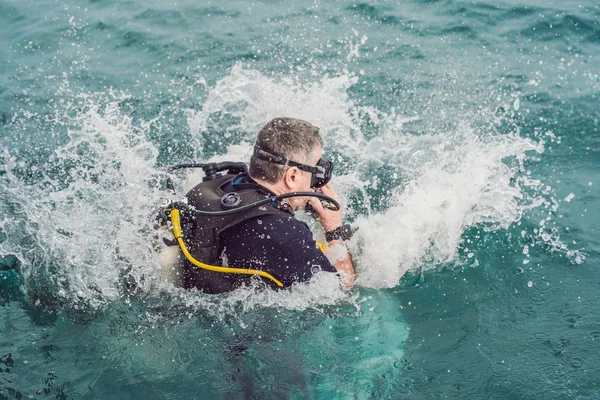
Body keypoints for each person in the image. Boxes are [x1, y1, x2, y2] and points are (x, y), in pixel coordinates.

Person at [176, 117, 355, 293]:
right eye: (316, 169)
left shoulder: (224, 184)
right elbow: (339, 291)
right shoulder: (284, 234)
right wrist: (334, 230)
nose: (317, 180)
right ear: (292, 176)